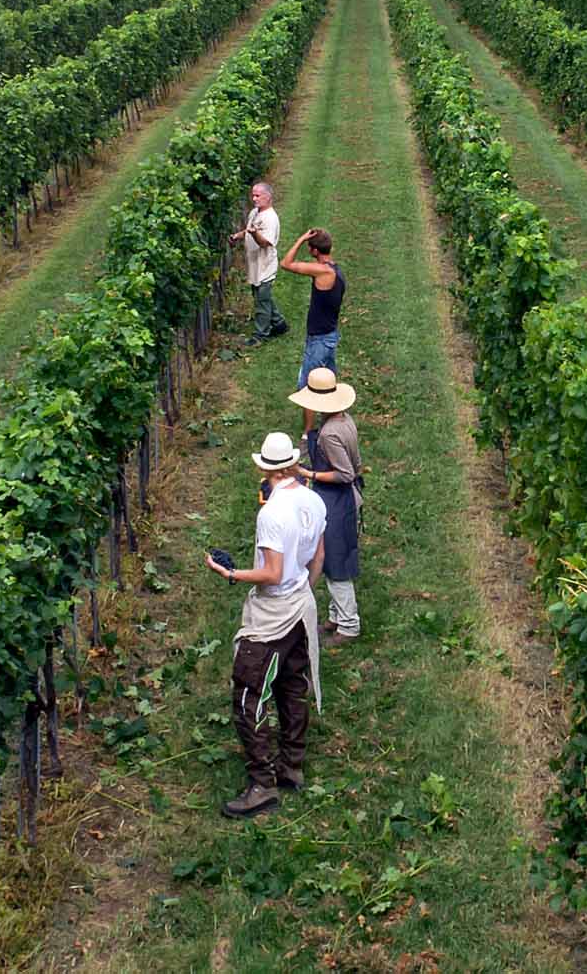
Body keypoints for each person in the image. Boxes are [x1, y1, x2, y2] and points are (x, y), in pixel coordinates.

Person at [206, 431, 325, 818]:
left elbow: (271, 574)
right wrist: (302, 590)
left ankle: (262, 784)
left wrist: (231, 573)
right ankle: (291, 765)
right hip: (301, 608)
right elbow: (318, 558)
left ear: (263, 468)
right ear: (291, 464)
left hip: (272, 614)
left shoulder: (271, 513)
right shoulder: (313, 499)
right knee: (292, 685)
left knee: (248, 695)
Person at [291, 367, 363, 645]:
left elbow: (344, 473)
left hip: (336, 500)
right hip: (344, 498)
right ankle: (336, 616)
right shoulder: (345, 420)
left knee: (335, 562)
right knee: (337, 555)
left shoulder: (329, 435)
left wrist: (308, 474)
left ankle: (348, 625)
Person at [282, 227, 344, 394]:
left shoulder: (322, 271)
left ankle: (309, 422)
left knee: (306, 389)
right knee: (329, 385)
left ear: (315, 250)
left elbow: (286, 263)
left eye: (309, 246)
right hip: (330, 334)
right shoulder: (334, 269)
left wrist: (301, 239)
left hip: (319, 339)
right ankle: (334, 418)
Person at [229, 182, 289, 347]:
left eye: (257, 195)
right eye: (253, 195)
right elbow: (249, 230)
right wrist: (237, 236)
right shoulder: (255, 212)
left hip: (265, 265)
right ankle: (279, 324)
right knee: (262, 297)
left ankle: (259, 335)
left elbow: (264, 243)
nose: (254, 198)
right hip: (255, 264)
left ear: (268, 197)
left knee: (261, 300)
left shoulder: (271, 218)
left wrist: (255, 234)